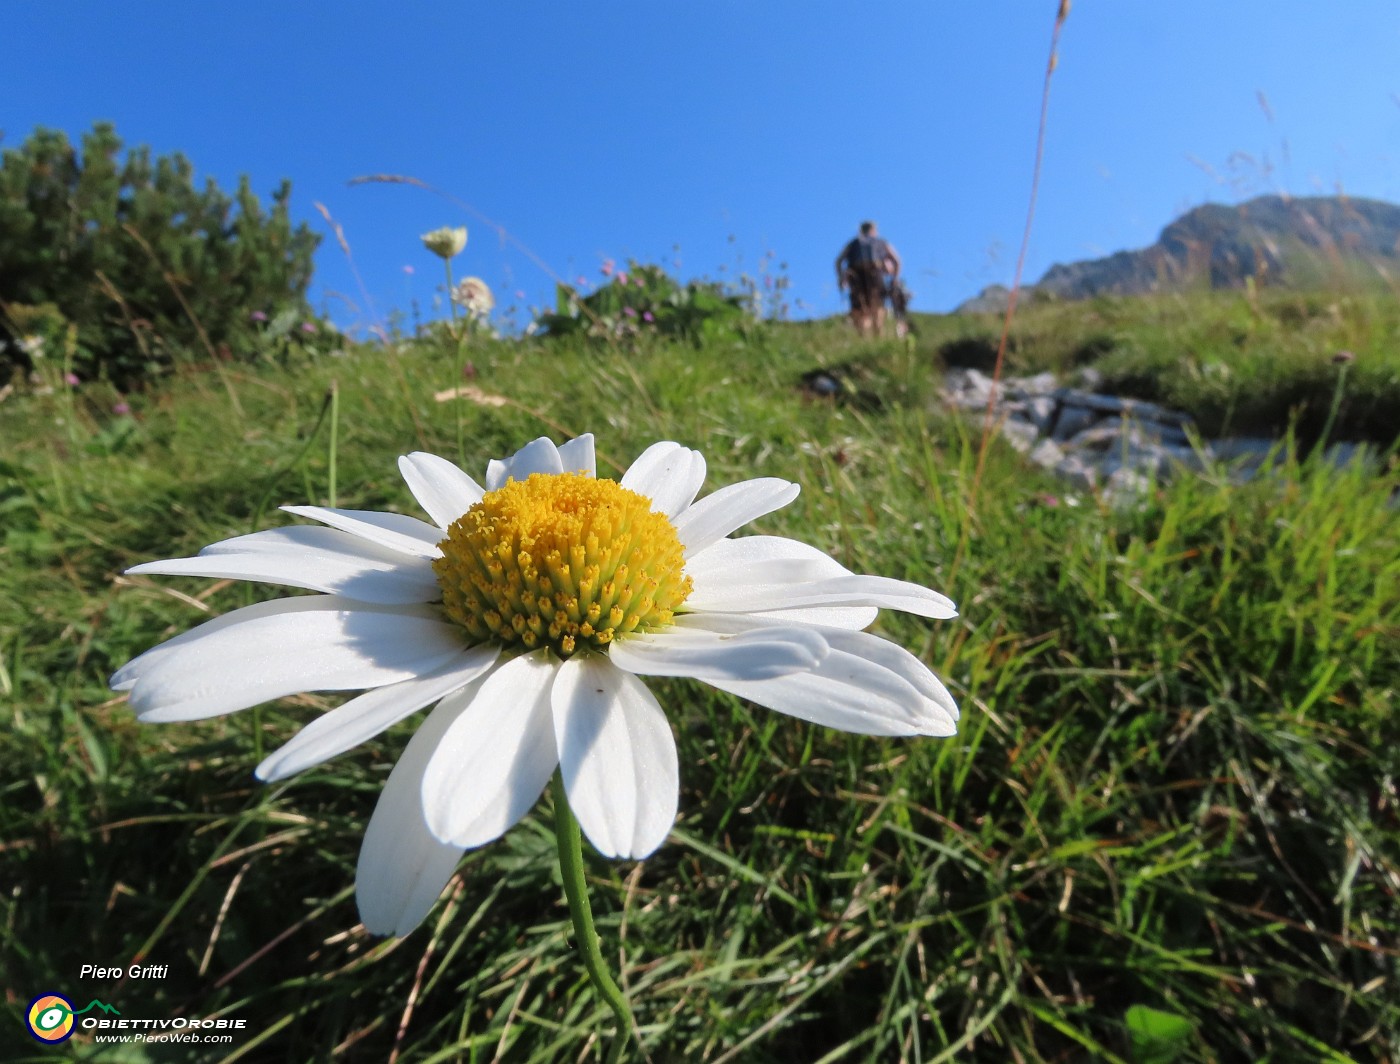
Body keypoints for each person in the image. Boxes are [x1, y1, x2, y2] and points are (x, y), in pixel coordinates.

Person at [836, 221, 902, 336]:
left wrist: (841, 277)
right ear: (874, 230)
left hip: (855, 275)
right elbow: (896, 260)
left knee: (860, 308)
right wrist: (895, 278)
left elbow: (839, 261)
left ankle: (863, 338)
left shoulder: (853, 243)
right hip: (875, 273)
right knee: (877, 305)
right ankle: (878, 334)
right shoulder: (881, 242)